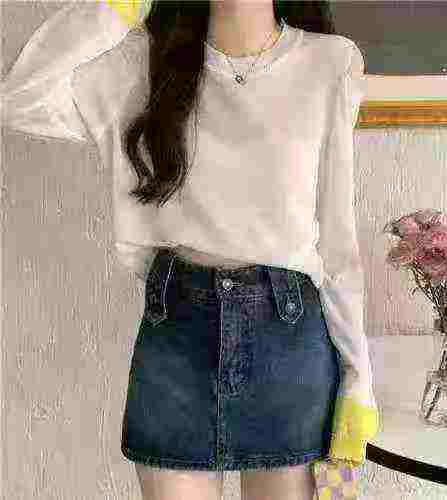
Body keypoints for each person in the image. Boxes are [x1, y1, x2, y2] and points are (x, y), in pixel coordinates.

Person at [1, 1, 380, 499]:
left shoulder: (330, 62)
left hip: (289, 343)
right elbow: (20, 98)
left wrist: (359, 380)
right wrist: (116, 8)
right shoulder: (137, 63)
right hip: (176, 337)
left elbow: (336, 243)